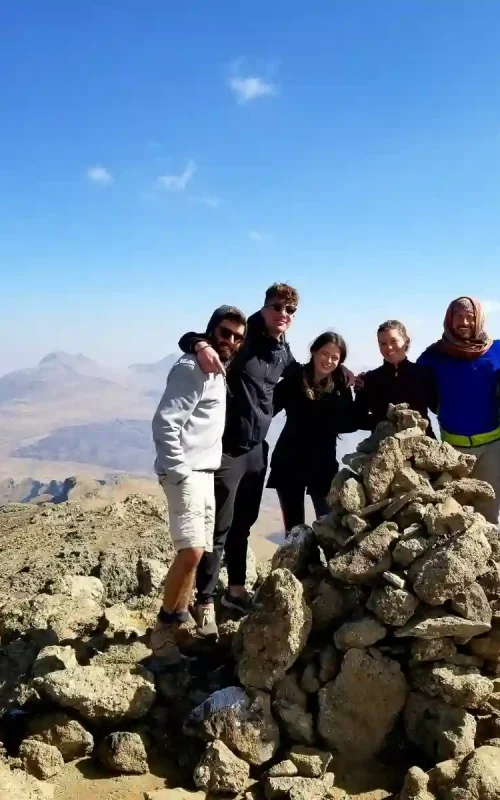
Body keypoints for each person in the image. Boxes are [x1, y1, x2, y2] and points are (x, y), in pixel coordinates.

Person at [176, 282, 300, 637]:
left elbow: (301, 375)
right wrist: (200, 344)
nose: (283, 314)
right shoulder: (245, 338)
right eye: (277, 307)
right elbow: (192, 337)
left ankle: (235, 590)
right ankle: (204, 602)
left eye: (290, 310)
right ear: (265, 307)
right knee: (218, 529)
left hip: (257, 451)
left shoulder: (281, 349)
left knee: (243, 524)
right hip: (228, 451)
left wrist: (343, 374)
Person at [150, 305, 246, 664]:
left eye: (237, 337)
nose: (231, 341)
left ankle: (180, 619)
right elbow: (164, 423)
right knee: (190, 550)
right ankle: (162, 629)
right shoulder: (192, 368)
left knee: (199, 551)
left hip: (206, 472)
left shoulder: (218, 368)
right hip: (187, 472)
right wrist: (178, 472)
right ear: (211, 332)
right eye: (224, 333)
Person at [267, 331, 363, 533]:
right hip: (289, 461)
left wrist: (363, 398)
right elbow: (267, 408)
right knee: (294, 531)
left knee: (328, 527)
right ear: (314, 351)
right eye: (324, 354)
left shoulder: (341, 385)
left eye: (335, 357)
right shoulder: (294, 380)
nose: (328, 361)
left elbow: (347, 423)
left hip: (322, 464)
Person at [417, 297, 500, 523]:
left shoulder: (497, 350)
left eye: (469, 317)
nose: (464, 322)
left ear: (478, 319)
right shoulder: (434, 355)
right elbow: (409, 378)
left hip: (492, 450)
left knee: (488, 514)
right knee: (453, 516)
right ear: (449, 320)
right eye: (458, 317)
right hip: (452, 450)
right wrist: (365, 379)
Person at [354, 319, 439, 432]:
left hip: (422, 439)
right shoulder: (370, 378)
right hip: (384, 441)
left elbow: (439, 408)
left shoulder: (423, 373)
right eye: (383, 343)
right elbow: (358, 419)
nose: (389, 347)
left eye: (393, 341)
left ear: (406, 341)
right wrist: (385, 423)